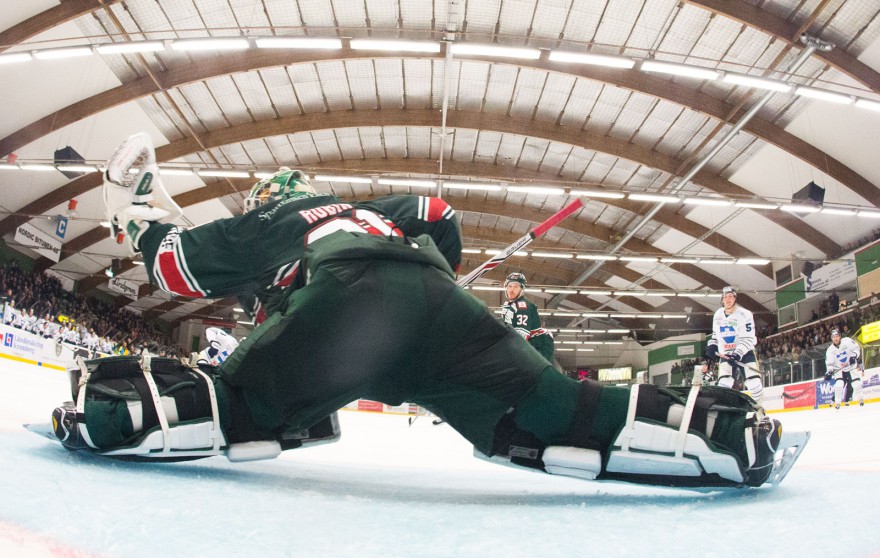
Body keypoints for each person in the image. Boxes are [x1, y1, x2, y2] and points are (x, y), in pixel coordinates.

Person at [46, 132, 799, 490]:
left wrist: (132, 219)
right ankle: (727, 429)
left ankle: (112, 411)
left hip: (344, 308)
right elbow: (441, 213)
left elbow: (176, 263)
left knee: (241, 403)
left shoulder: (285, 217)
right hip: (441, 305)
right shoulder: (372, 207)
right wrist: (434, 281)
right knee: (554, 412)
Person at [705, 286, 764, 407]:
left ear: (735, 298)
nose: (728, 299)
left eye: (731, 296)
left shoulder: (745, 314)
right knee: (724, 383)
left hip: (745, 353)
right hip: (725, 354)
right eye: (725, 297)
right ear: (722, 299)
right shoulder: (718, 314)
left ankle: (760, 409)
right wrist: (712, 345)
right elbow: (715, 335)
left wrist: (738, 354)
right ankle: (724, 412)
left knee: (754, 383)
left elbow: (748, 339)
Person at [500, 272, 555, 363]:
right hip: (532, 343)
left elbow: (521, 336)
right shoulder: (508, 306)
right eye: (510, 286)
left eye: (516, 287)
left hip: (540, 344)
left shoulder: (522, 306)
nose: (511, 290)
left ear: (522, 289)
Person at [824, 328, 863, 409]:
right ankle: (837, 403)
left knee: (856, 384)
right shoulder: (830, 350)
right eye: (833, 337)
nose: (835, 338)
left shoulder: (847, 341)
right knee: (839, 385)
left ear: (840, 336)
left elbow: (857, 348)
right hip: (840, 369)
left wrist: (854, 355)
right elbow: (830, 364)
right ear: (831, 338)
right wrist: (829, 372)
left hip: (851, 366)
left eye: (837, 336)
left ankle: (861, 399)